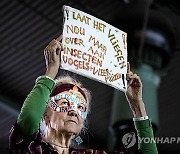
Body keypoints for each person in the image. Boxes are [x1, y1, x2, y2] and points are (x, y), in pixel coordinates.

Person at [9, 35, 158, 154]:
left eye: (81, 107)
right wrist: (51, 71)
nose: (74, 111)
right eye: (64, 103)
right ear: (45, 114)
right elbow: (29, 117)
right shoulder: (31, 146)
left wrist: (137, 105)